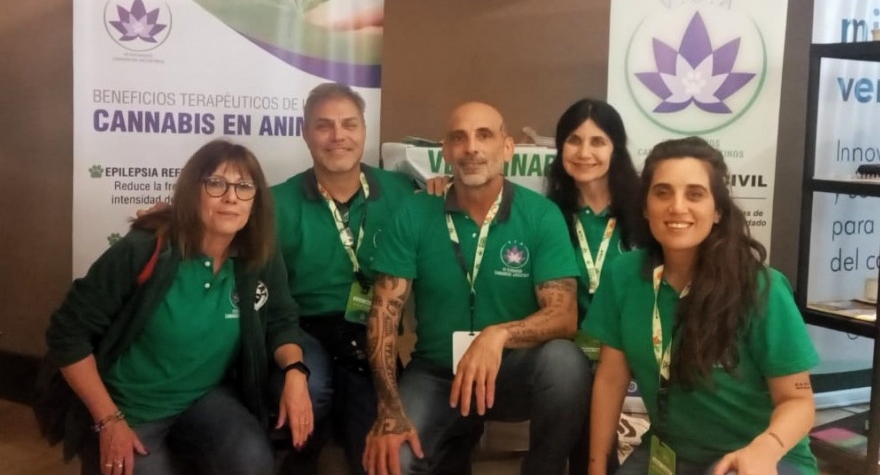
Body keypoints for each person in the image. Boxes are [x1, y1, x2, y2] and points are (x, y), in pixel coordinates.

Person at [45, 139, 311, 475]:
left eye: (244, 186)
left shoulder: (258, 256)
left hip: (203, 395)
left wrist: (295, 372)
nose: (231, 197)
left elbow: (282, 320)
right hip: (130, 406)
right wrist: (109, 420)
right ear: (191, 192)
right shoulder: (147, 248)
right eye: (216, 184)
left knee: (253, 461)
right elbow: (67, 333)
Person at [362, 101, 592, 475]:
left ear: (507, 147)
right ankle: (455, 446)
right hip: (438, 373)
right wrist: (389, 409)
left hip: (514, 371)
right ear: (446, 150)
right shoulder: (414, 212)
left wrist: (498, 335)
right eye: (459, 138)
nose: (471, 148)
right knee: (394, 460)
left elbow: (564, 315)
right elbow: (384, 317)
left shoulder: (540, 214)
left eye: (484, 135)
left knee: (565, 363)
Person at [585, 137, 819, 475]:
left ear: (718, 210)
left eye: (695, 194)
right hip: (669, 453)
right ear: (645, 206)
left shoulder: (760, 287)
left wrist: (765, 449)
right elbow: (610, 380)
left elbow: (798, 401)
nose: (677, 207)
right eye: (662, 193)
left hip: (758, 456)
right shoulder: (624, 275)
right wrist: (596, 468)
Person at [271, 83, 416, 475]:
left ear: (364, 130)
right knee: (314, 389)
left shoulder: (404, 193)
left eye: (349, 124)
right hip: (305, 330)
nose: (338, 136)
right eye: (324, 126)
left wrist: (441, 187)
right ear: (305, 133)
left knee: (381, 460)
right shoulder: (275, 202)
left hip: (372, 332)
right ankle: (304, 453)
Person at [545, 98, 644, 325]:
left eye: (597, 142)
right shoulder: (547, 215)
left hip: (634, 335)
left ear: (615, 150)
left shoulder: (645, 210)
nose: (584, 153)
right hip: (569, 340)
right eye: (574, 140)